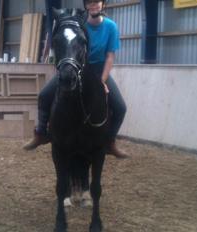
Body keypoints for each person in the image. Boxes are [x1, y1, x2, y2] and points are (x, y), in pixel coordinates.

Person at [23, 0, 127, 159]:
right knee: (44, 95)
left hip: (99, 70)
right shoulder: (79, 24)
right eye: (90, 3)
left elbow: (110, 56)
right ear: (85, 6)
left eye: (97, 2)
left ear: (103, 4)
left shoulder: (110, 27)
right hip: (75, 67)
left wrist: (102, 82)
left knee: (120, 107)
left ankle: (110, 141)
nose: (93, 6)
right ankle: (41, 133)